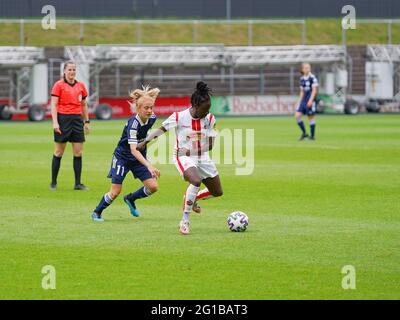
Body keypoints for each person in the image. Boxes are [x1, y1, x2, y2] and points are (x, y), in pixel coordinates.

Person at [140, 81, 223, 235]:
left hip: (201, 156)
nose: (207, 112)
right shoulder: (179, 117)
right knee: (196, 180)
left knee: (217, 191)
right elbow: (161, 129)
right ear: (195, 106)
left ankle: (193, 197)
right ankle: (185, 220)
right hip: (181, 155)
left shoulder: (210, 119)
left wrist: (192, 150)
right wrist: (145, 142)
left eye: (209, 109)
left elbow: (210, 146)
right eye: (205, 109)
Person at [91, 86, 161, 222]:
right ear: (138, 108)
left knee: (153, 187)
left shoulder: (152, 117)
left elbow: (144, 137)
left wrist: (150, 137)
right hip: (123, 157)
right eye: (146, 108)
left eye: (151, 107)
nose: (149, 110)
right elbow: (133, 149)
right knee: (115, 191)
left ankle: (131, 198)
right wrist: (149, 166)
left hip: (137, 158)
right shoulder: (132, 124)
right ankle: (97, 212)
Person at [50, 61, 90, 191]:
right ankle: (54, 182)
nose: (72, 72)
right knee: (58, 151)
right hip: (63, 119)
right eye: (70, 70)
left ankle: (77, 183)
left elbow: (84, 105)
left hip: (77, 120)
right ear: (64, 71)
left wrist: (87, 122)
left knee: (78, 152)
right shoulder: (58, 85)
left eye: (74, 69)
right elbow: (54, 105)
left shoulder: (81, 86)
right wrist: (55, 122)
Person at [295, 62, 318, 140]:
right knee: (297, 116)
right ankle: (304, 133)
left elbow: (314, 91)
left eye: (309, 67)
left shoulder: (313, 78)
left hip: (310, 100)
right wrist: (299, 102)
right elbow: (302, 92)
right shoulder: (302, 79)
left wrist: (311, 100)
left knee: (310, 117)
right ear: (302, 69)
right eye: (306, 68)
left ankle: (312, 136)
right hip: (304, 100)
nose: (308, 69)